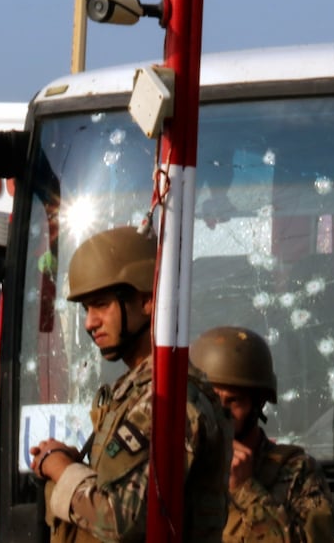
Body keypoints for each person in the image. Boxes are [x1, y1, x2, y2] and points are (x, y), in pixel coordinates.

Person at [28, 225, 231, 543]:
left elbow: (121, 519)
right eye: (85, 309)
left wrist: (59, 469)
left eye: (101, 305)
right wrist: (72, 462)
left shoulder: (170, 397)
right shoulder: (138, 391)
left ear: (147, 301)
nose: (89, 323)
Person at [191, 327, 334, 543]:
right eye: (210, 399)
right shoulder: (180, 465)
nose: (219, 412)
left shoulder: (296, 473)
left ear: (258, 404)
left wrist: (246, 488)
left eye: (234, 401)